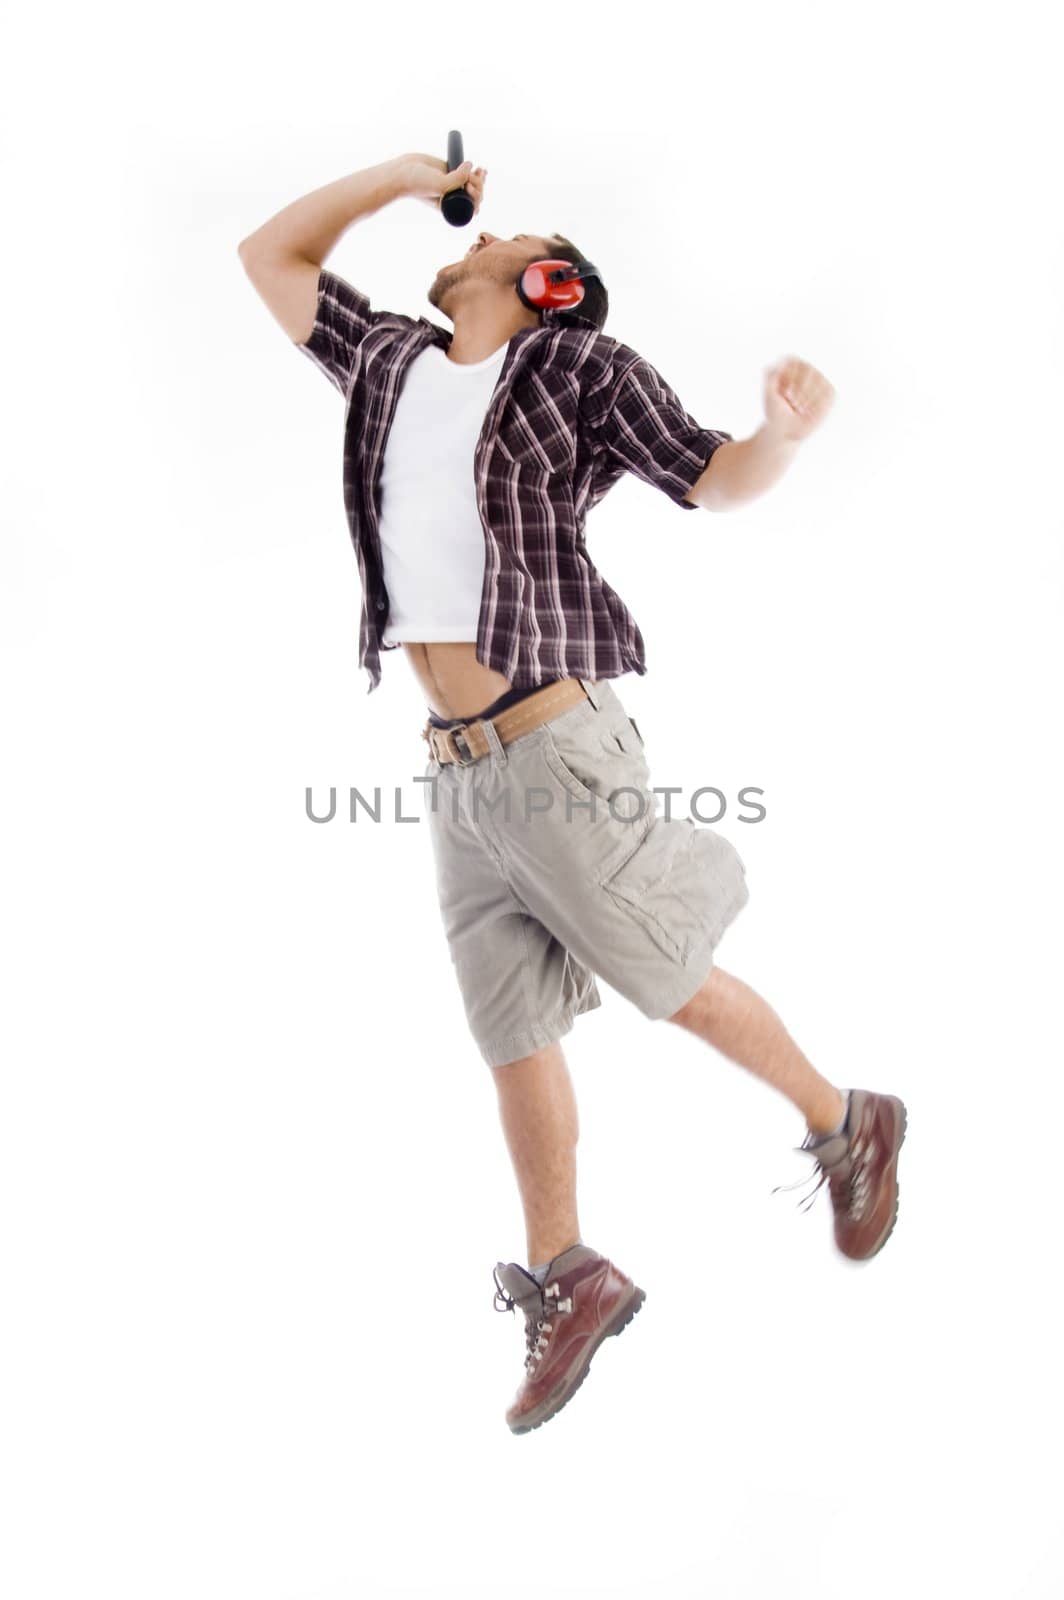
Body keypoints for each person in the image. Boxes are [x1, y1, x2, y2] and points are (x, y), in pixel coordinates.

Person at [238, 150, 908, 1435]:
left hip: (553, 746)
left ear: (544, 281)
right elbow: (269, 258)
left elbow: (710, 477)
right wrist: (389, 179)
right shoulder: (386, 362)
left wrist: (779, 434)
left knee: (662, 974)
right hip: (453, 773)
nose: (465, 242)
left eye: (511, 239)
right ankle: (570, 1271)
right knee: (507, 1029)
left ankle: (848, 1120)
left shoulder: (572, 369)